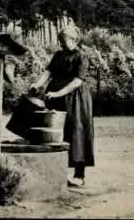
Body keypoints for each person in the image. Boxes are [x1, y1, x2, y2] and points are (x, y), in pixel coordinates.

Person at [30, 25, 95, 187]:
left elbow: (77, 81)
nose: (61, 44)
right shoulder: (58, 55)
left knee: (76, 133)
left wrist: (58, 93)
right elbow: (48, 72)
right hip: (55, 99)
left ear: (74, 40)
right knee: (54, 133)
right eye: (60, 40)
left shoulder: (81, 57)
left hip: (75, 101)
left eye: (64, 40)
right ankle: (56, 174)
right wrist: (37, 84)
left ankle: (79, 175)